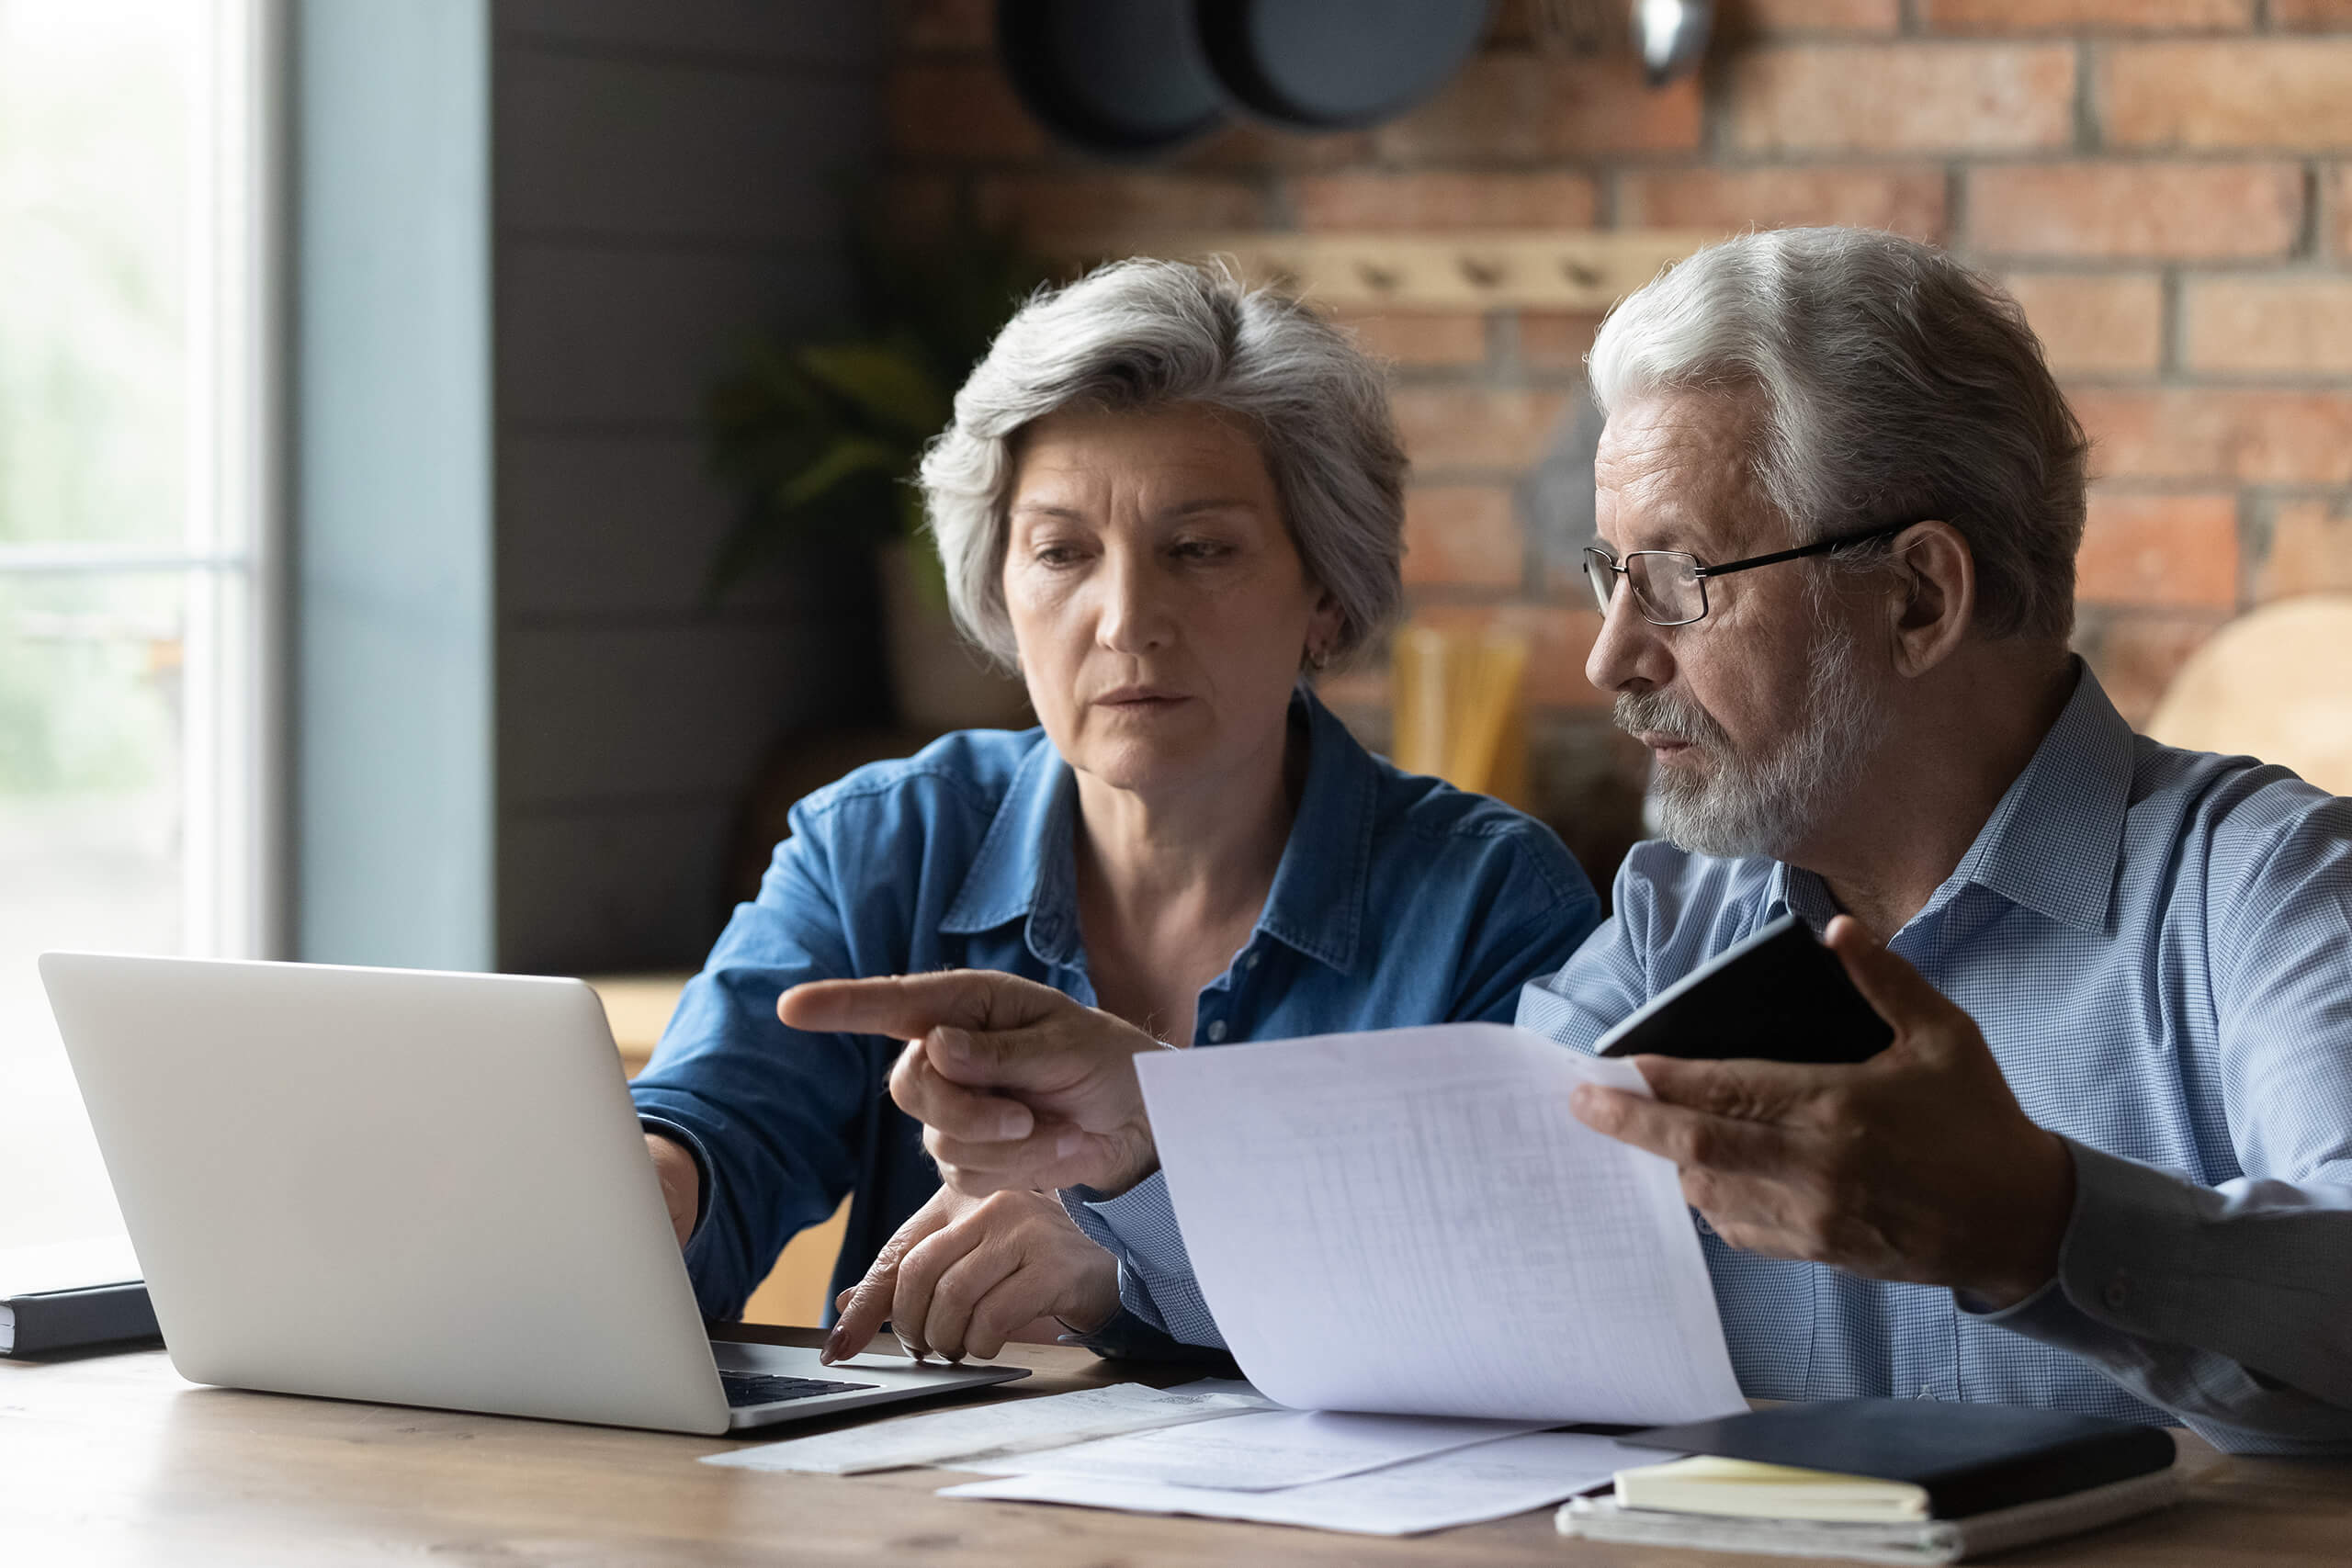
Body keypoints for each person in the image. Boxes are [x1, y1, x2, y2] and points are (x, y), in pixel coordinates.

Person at [809, 228, 2352, 1457]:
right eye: (1608, 576)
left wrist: (2041, 1221)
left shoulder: (2268, 891)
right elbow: (1436, 1262)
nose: (1611, 658)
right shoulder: (1683, 918)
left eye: (1677, 582)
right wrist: (1149, 1142)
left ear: (1920, 597)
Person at [629, 258, 1600, 1365]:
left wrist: (1132, 1264)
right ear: (1000, 587)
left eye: (1199, 551)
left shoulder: (1489, 903)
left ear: (1324, 593)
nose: (1127, 620)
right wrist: (653, 1194)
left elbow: (1520, 1290)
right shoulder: (882, 844)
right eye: (1062, 553)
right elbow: (720, 1124)